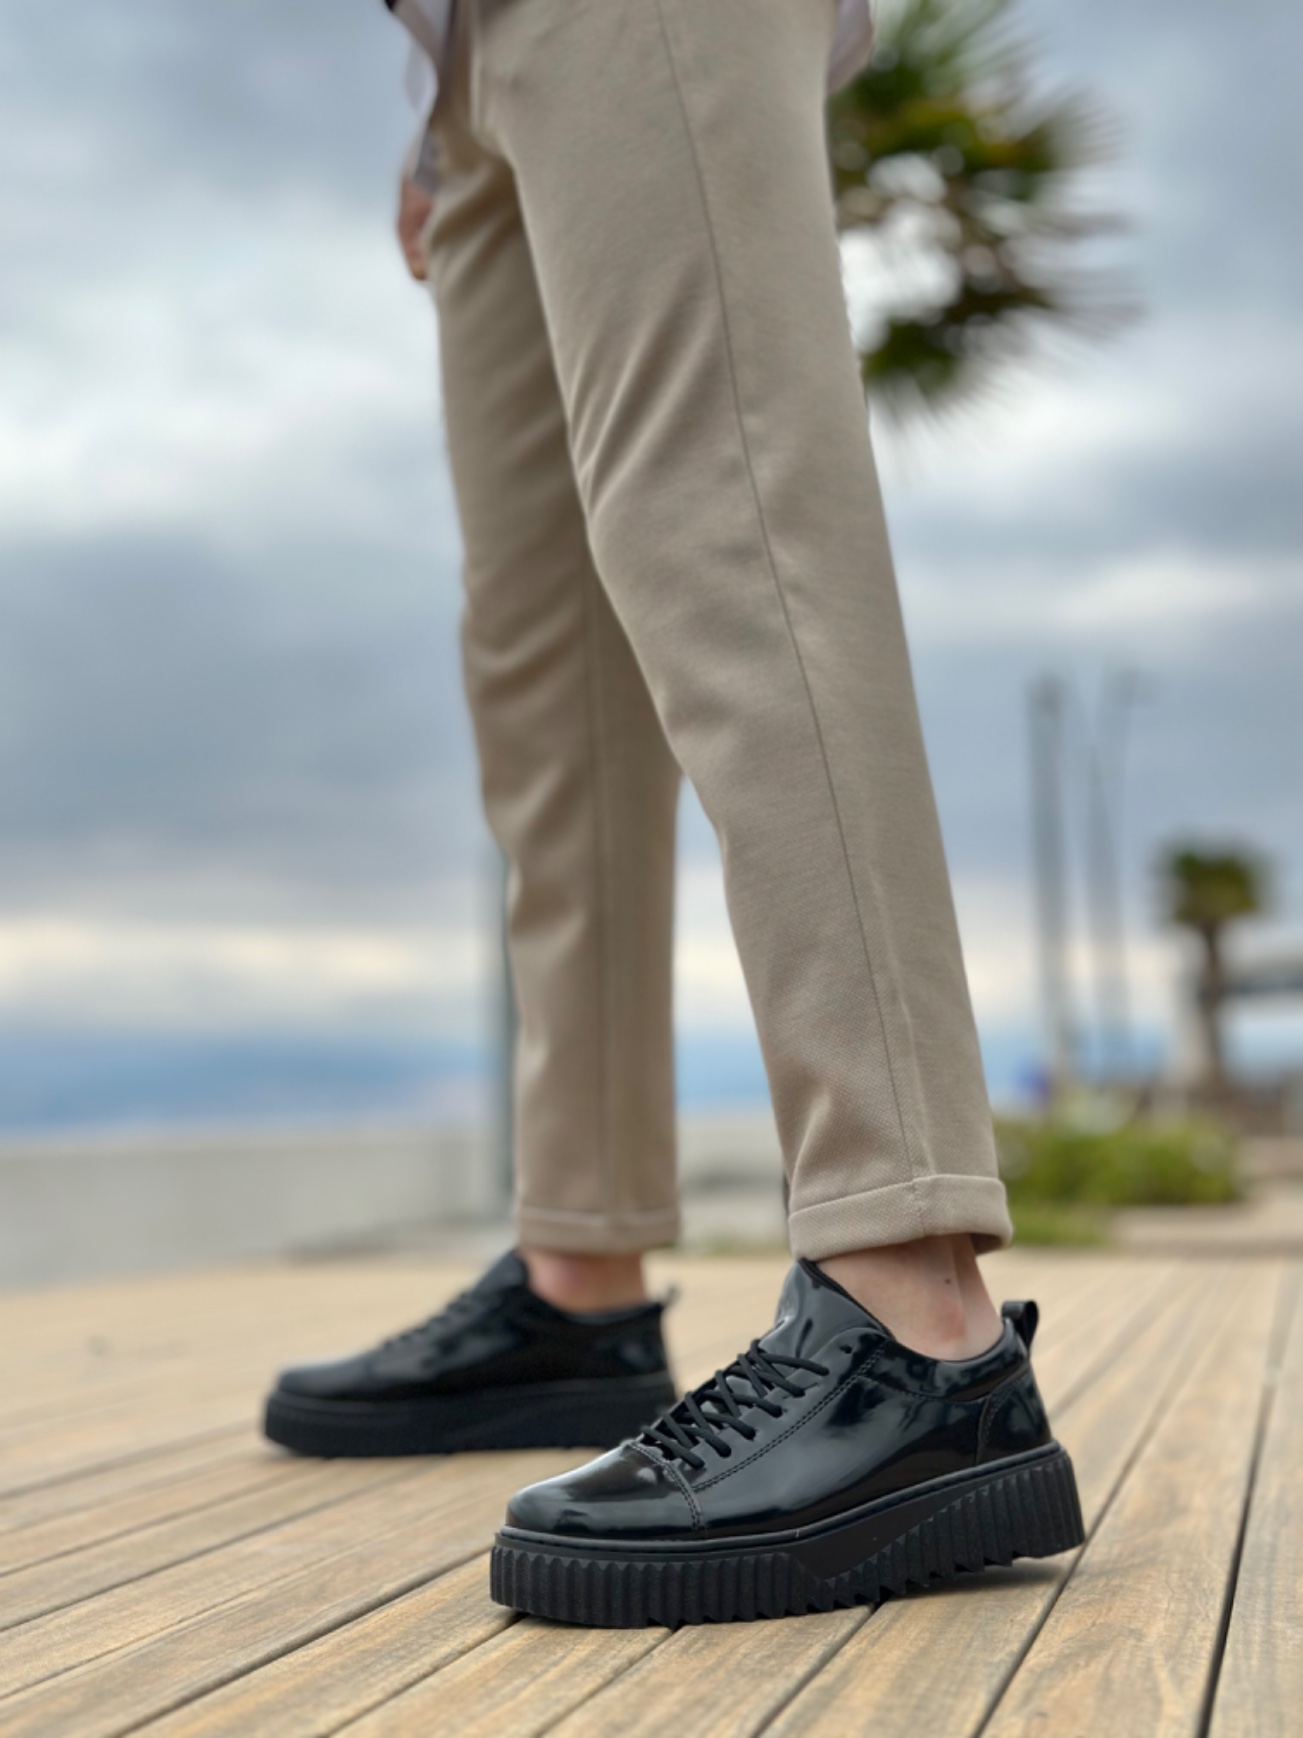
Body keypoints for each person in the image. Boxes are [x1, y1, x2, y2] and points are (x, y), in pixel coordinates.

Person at [262, 0, 1083, 1627]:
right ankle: (581, 1272)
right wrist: (440, 101)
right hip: (471, 64)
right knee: (545, 668)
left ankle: (913, 1307)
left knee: (730, 517)